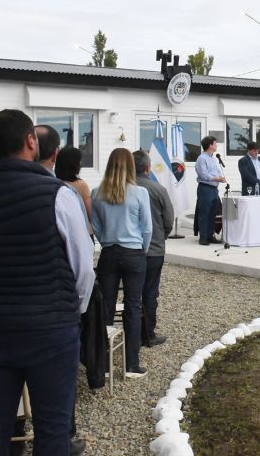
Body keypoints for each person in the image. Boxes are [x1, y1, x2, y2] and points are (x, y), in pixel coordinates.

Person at [0, 109, 94, 454]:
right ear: (31, 141)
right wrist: (70, 309)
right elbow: (83, 267)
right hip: (52, 329)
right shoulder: (59, 194)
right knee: (52, 428)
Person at [92, 148, 152, 377]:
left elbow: (96, 226)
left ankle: (103, 365)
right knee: (133, 306)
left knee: (105, 307)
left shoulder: (98, 193)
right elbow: (147, 228)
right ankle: (131, 364)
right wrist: (141, 250)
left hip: (109, 252)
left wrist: (106, 241)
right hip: (134, 252)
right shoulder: (139, 193)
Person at [132, 150, 174, 347]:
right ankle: (147, 334)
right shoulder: (158, 189)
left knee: (132, 293)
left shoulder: (122, 188)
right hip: (154, 249)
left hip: (130, 248)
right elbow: (168, 220)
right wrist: (161, 237)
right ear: (148, 168)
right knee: (150, 292)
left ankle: (130, 332)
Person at [55, 146, 93, 233]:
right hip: (83, 232)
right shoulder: (81, 185)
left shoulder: (54, 183)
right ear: (74, 165)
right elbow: (90, 214)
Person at [195, 136, 225, 245]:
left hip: (214, 188)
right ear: (210, 145)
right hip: (205, 188)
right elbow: (203, 175)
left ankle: (210, 235)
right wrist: (217, 178)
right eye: (215, 144)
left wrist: (221, 178)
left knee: (213, 213)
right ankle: (203, 237)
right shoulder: (201, 158)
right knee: (204, 213)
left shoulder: (214, 158)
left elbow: (217, 171)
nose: (216, 146)